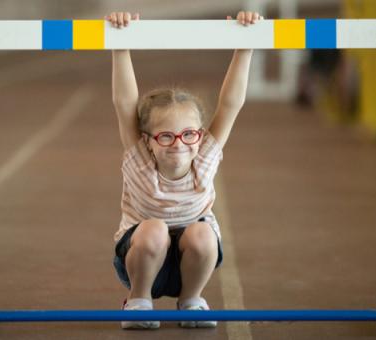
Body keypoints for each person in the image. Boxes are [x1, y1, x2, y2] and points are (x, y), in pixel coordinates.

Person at [107, 10, 263, 329]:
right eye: (166, 136)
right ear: (148, 140)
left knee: (204, 232)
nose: (179, 144)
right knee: (155, 228)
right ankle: (138, 301)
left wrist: (245, 45)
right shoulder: (140, 159)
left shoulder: (204, 157)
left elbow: (230, 105)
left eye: (188, 134)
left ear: (200, 136)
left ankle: (191, 300)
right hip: (142, 258)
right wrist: (119, 43)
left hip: (191, 261)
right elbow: (125, 104)